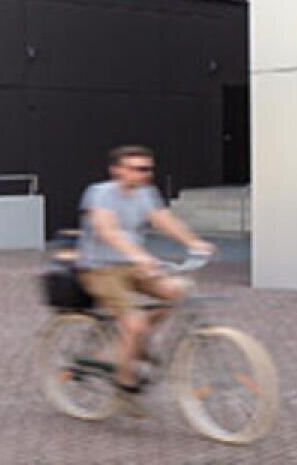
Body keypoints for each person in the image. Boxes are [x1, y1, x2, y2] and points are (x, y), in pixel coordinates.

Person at [76, 144, 214, 397]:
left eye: (147, 169)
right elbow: (107, 230)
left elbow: (164, 220)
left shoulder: (146, 193)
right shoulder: (101, 193)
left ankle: (133, 341)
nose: (144, 174)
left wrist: (193, 242)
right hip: (100, 269)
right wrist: (138, 255)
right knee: (135, 322)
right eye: (137, 169)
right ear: (117, 170)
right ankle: (124, 379)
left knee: (179, 292)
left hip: (133, 266)